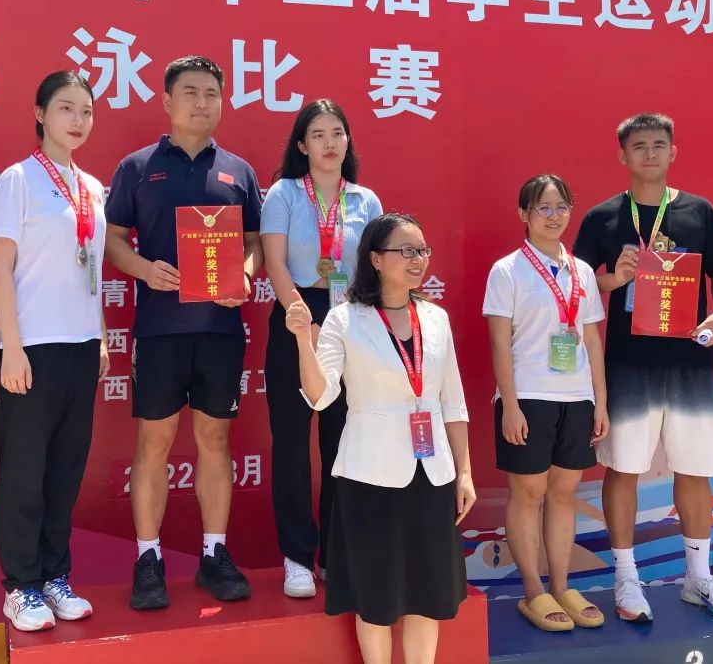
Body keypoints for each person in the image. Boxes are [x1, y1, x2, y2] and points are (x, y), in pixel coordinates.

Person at [103, 55, 263, 609]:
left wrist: (246, 274)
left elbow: (255, 242)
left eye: (211, 93)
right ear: (168, 102)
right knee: (155, 441)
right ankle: (147, 558)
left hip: (220, 330)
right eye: (190, 92)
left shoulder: (239, 171)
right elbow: (112, 237)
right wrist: (144, 269)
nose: (202, 102)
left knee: (215, 440)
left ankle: (215, 553)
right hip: (160, 330)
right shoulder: (138, 167)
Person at [572, 113, 713, 621]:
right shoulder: (603, 218)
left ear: (673, 152)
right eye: (639, 146)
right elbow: (575, 285)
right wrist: (613, 279)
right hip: (629, 364)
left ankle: (699, 578)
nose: (649, 153)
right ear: (622, 155)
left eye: (658, 144)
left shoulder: (700, 211)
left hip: (693, 361)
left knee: (694, 469)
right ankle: (626, 579)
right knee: (623, 467)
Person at [286, 213, 475, 664]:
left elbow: (453, 402)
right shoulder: (344, 319)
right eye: (406, 251)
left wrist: (464, 473)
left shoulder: (436, 318)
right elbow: (321, 396)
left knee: (427, 596)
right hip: (370, 477)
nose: (418, 259)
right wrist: (301, 340)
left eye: (422, 250)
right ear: (375, 258)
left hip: (432, 475)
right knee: (375, 595)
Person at [0, 71, 108, 631]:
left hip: (81, 347)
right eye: (65, 108)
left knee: (65, 470)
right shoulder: (18, 179)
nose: (77, 120)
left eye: (86, 110)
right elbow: (1, 267)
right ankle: (21, 585)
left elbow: (93, 270)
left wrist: (100, 335)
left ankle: (56, 576)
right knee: (23, 473)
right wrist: (11, 347)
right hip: (31, 346)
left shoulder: (93, 187)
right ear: (40, 114)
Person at [260, 99, 382, 598]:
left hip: (351, 319)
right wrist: (301, 321)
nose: (330, 143)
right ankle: (296, 557)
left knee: (343, 443)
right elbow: (274, 262)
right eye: (318, 134)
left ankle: (336, 554)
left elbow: (375, 268)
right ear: (302, 144)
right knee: (292, 443)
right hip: (297, 312)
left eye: (337, 133)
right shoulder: (285, 193)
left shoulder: (366, 201)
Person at [482, 175, 609, 632]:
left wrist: (599, 401)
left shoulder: (583, 272)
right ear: (524, 214)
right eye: (543, 208)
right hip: (529, 397)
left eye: (562, 207)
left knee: (564, 493)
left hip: (576, 398)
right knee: (528, 493)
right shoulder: (507, 271)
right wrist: (511, 405)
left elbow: (591, 339)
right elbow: (499, 342)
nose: (554, 217)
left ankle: (561, 585)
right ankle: (533, 590)